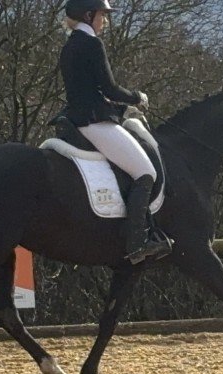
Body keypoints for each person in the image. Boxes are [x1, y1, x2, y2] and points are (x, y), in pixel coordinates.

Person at [60, 0, 172, 265]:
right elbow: (109, 88)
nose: (105, 21)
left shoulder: (69, 45)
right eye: (102, 15)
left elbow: (89, 91)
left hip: (78, 119)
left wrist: (119, 108)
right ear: (89, 15)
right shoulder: (91, 44)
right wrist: (136, 97)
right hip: (95, 123)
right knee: (146, 173)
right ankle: (137, 243)